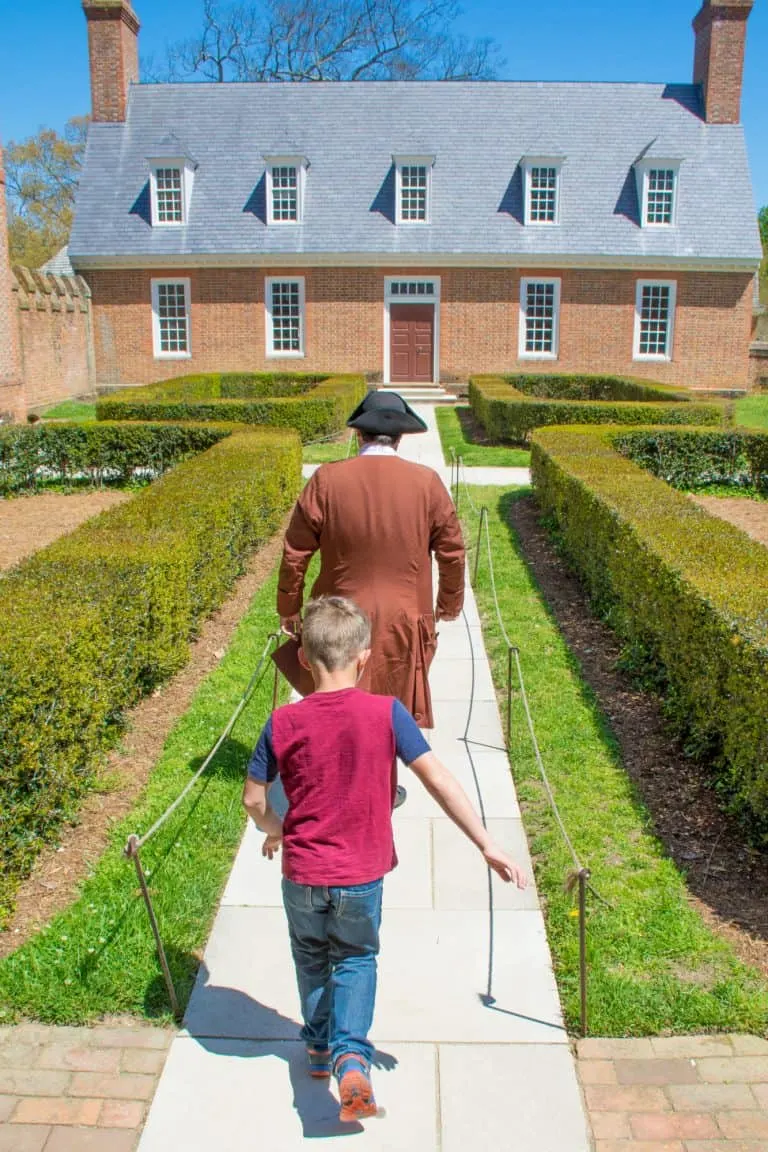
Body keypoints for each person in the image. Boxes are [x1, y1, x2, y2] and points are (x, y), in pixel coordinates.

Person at [243, 596, 528, 1123]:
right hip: (361, 875)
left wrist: (275, 830)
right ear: (365, 657)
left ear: (303, 658)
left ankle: (318, 1047)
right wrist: (486, 843)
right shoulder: (386, 713)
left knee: (310, 957)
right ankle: (352, 1057)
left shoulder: (281, 723)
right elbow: (437, 780)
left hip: (302, 874)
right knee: (353, 959)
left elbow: (253, 800)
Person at [274, 389, 465, 806]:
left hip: (339, 617)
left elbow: (296, 552)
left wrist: (289, 608)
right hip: (405, 616)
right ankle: (381, 784)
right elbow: (452, 551)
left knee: (336, 697)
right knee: (388, 703)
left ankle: (336, 782)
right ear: (399, 439)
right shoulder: (426, 483)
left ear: (360, 435)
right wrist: (447, 606)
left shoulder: (327, 479)